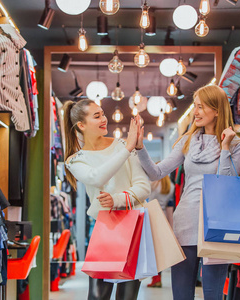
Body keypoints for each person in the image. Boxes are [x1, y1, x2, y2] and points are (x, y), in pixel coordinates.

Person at [132, 85, 240, 300]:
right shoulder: (187, 141)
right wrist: (140, 148)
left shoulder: (237, 146)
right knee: (182, 295)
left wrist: (224, 147)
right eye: (195, 106)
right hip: (185, 223)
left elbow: (225, 184)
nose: (195, 112)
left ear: (217, 110)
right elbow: (157, 172)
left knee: (213, 295)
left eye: (201, 107)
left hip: (218, 226)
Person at [63, 99, 151, 300]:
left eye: (102, 114)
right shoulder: (76, 160)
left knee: (127, 297)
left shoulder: (121, 145)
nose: (104, 119)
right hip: (104, 230)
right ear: (81, 125)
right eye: (97, 116)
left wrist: (117, 199)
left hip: (133, 228)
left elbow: (144, 186)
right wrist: (127, 148)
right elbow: (97, 177)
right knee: (97, 297)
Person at [147, 173, 174, 288]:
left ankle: (155, 278)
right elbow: (170, 208)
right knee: (159, 251)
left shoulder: (152, 184)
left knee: (151, 250)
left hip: (151, 216)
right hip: (163, 218)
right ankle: (158, 277)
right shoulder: (171, 187)